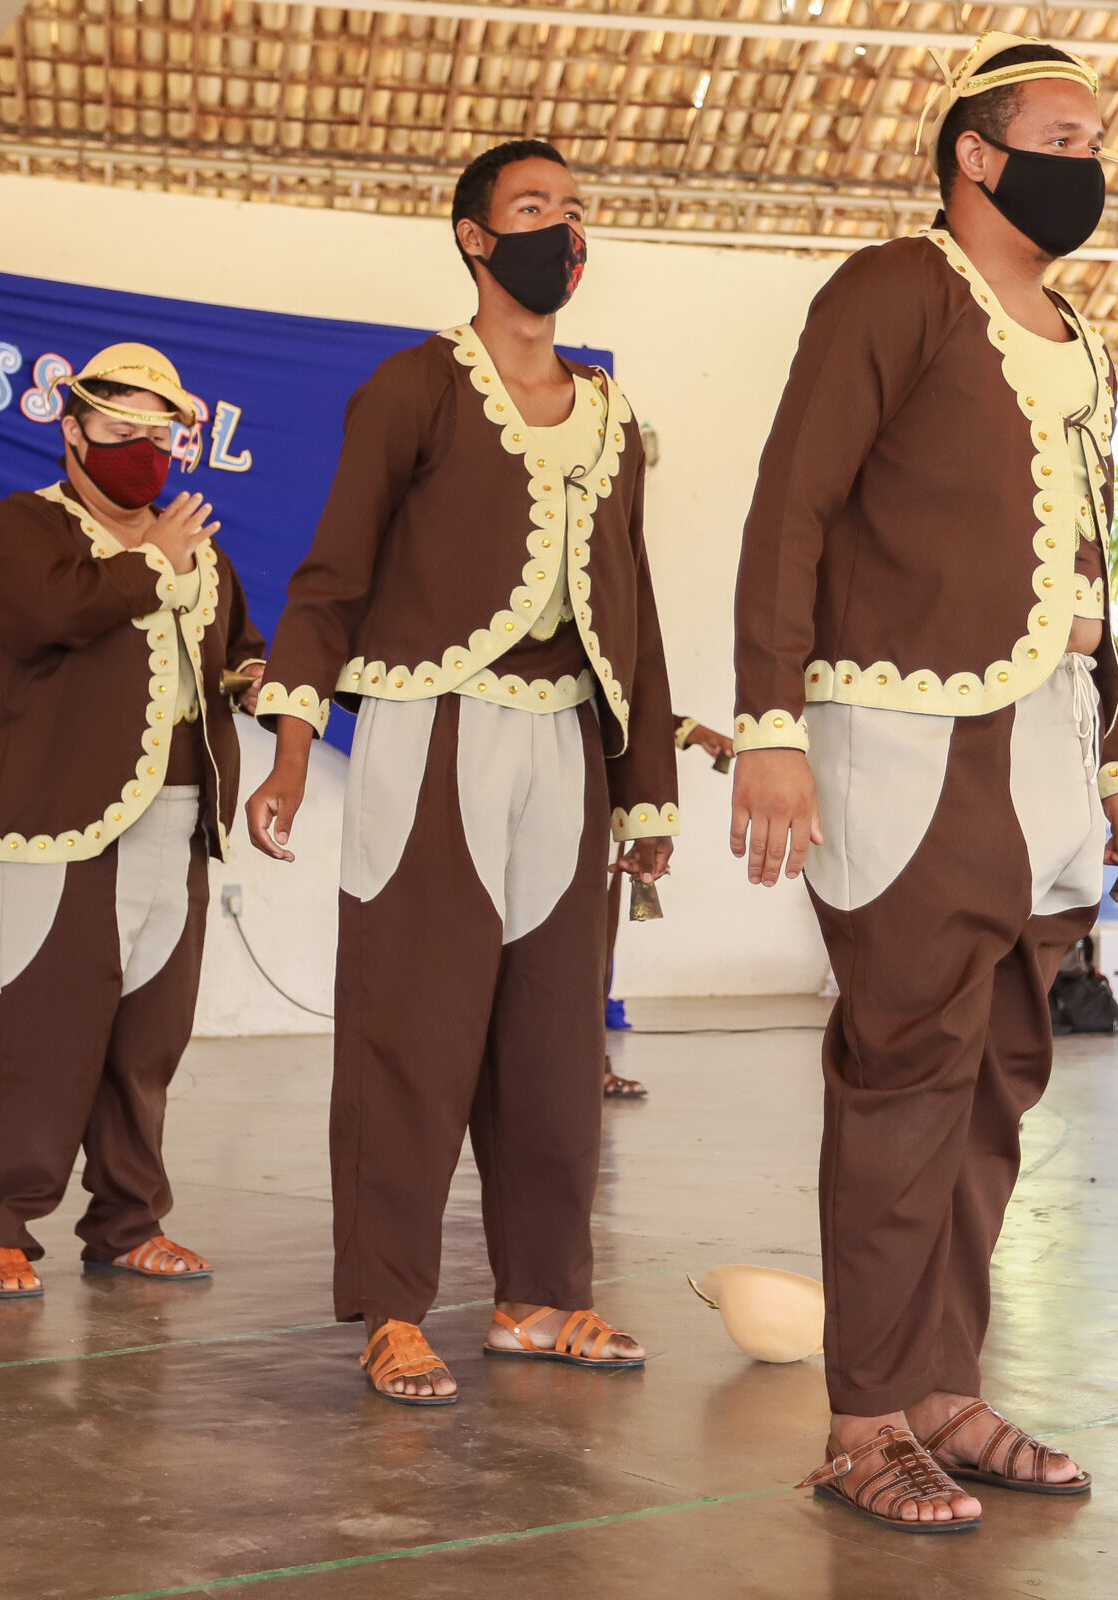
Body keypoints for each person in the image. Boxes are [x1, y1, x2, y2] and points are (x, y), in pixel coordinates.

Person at [728, 31, 1118, 1528]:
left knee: (998, 1079)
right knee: (905, 1074)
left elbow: (1098, 563)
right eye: (1061, 131)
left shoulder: (1084, 338)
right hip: (903, 736)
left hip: (1045, 743)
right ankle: (863, 1419)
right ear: (977, 152)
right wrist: (770, 727)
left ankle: (942, 1388)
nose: (1090, 159)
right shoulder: (892, 291)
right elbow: (794, 505)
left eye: (1101, 137)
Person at [245, 140, 681, 1406]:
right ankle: (391, 1307)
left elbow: (633, 610)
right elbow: (329, 578)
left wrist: (645, 790)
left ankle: (544, 1297)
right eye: (536, 209)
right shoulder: (411, 389)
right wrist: (285, 749)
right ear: (475, 238)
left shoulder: (611, 414)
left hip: (565, 745)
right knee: (412, 1025)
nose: (566, 232)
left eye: (577, 212)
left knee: (552, 1033)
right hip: (426, 726)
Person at [0, 345, 264, 1299]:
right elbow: (51, 614)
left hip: (177, 815)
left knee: (146, 1040)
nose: (143, 453)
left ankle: (128, 1222)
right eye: (121, 433)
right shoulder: (25, 527)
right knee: (46, 1034)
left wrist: (256, 682)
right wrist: (148, 562)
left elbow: (235, 644)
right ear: (71, 429)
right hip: (60, 822)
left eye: (158, 437)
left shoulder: (199, 547)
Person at [600, 712, 734, 1098]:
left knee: (590, 943)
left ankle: (590, 1065)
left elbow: (625, 695)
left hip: (593, 791)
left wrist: (689, 731)